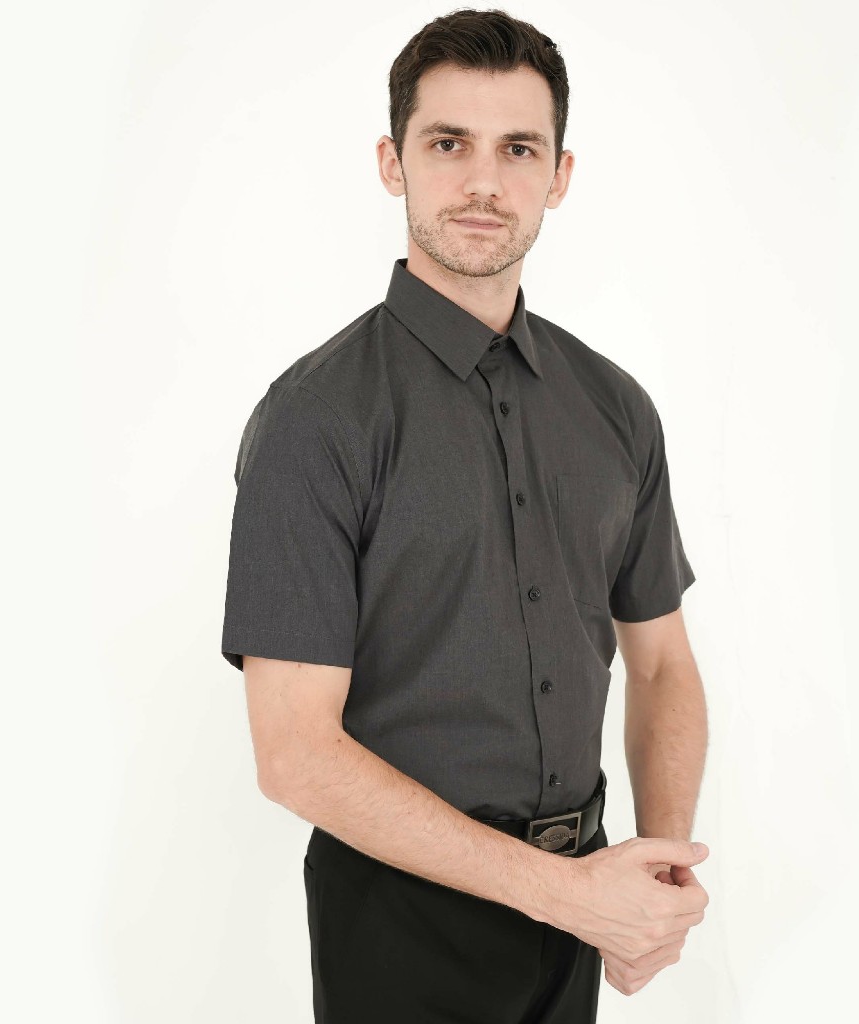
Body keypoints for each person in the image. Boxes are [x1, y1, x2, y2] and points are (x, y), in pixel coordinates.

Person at [221, 8, 710, 1022]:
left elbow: (662, 661)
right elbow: (294, 754)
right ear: (391, 162)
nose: (484, 182)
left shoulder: (616, 408)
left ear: (558, 177)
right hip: (399, 918)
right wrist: (571, 896)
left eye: (517, 149)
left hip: (580, 907)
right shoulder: (316, 418)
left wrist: (655, 880)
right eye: (449, 144)